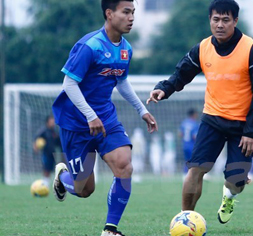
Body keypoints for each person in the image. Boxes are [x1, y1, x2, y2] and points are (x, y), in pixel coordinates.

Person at [147, 0, 253, 224]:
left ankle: (229, 195)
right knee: (196, 169)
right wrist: (164, 89)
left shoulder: (252, 50)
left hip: (242, 126)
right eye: (215, 19)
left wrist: (251, 133)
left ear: (235, 21)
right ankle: (185, 219)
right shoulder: (203, 48)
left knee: (236, 180)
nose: (220, 24)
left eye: (225, 20)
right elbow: (182, 73)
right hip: (212, 119)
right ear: (210, 20)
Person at [51, 1, 158, 235]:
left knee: (124, 165)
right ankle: (63, 176)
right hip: (76, 123)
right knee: (84, 189)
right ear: (109, 14)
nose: (131, 18)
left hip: (106, 119)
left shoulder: (126, 49)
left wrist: (142, 110)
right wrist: (89, 115)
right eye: (126, 12)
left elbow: (121, 81)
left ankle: (110, 229)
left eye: (133, 13)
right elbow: (69, 83)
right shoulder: (90, 46)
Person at [33, 115, 62, 186]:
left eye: (53, 121)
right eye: (51, 121)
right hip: (46, 153)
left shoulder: (54, 132)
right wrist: (35, 147)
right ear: (47, 122)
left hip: (54, 153)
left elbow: (59, 143)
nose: (53, 123)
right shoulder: (43, 131)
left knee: (55, 169)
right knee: (46, 168)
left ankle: (54, 183)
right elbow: (36, 139)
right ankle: (45, 184)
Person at [179, 108, 200, 178]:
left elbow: (180, 134)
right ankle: (195, 175)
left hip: (185, 145)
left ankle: (184, 174)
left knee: (187, 160)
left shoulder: (184, 123)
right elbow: (194, 136)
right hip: (192, 145)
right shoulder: (194, 124)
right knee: (194, 160)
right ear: (194, 114)